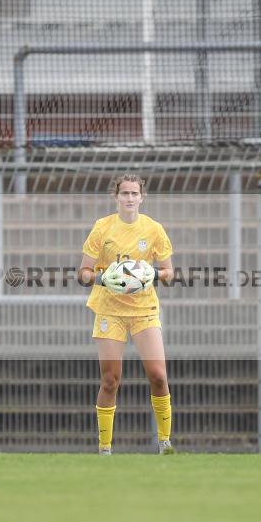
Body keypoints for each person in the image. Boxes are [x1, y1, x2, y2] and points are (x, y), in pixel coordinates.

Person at [78, 174, 175, 455]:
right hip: (109, 310)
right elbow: (83, 273)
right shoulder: (103, 227)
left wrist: (151, 273)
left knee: (158, 375)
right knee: (110, 379)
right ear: (116, 197)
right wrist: (103, 279)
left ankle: (165, 442)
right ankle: (104, 448)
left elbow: (169, 273)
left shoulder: (154, 229)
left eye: (134, 193)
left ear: (142, 197)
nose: (130, 198)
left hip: (144, 310)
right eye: (125, 193)